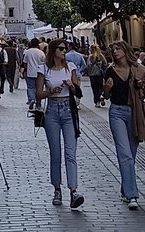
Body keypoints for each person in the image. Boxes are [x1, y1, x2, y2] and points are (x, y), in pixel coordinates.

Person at [103, 39, 145, 210]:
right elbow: (104, 96)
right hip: (117, 113)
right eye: (113, 50)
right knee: (124, 154)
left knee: (131, 156)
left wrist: (142, 85)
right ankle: (132, 195)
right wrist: (106, 88)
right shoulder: (110, 70)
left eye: (117, 48)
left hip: (135, 113)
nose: (115, 52)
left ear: (125, 50)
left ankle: (125, 189)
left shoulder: (139, 70)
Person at [36, 38, 84, 211]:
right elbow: (38, 94)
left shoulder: (70, 67)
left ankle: (73, 190)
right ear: (54, 50)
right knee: (55, 153)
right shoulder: (44, 69)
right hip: (52, 112)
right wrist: (50, 91)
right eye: (62, 49)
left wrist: (71, 86)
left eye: (65, 48)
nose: (65, 51)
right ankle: (57, 189)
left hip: (68, 111)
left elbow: (79, 91)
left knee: (70, 152)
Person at [22, 38, 45, 110]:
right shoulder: (41, 52)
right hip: (40, 73)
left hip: (30, 72)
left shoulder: (27, 52)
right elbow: (44, 63)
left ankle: (31, 99)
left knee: (30, 88)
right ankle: (38, 104)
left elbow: (25, 63)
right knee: (39, 89)